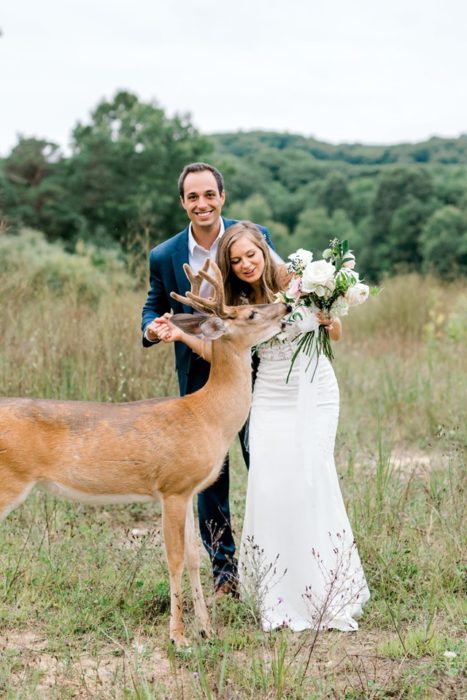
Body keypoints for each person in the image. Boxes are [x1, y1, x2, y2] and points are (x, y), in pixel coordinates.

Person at [155, 220, 370, 631]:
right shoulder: (234, 302)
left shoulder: (303, 284)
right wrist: (182, 337)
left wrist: (328, 318)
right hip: (269, 392)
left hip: (315, 389)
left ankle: (325, 588)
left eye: (251, 255)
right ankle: (276, 592)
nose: (246, 264)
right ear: (230, 266)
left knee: (312, 480)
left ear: (264, 251)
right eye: (236, 260)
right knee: (270, 484)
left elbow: (336, 333)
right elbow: (224, 350)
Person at [141, 163, 274, 597]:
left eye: (209, 195)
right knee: (210, 480)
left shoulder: (250, 236)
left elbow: (272, 291)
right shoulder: (164, 255)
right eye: (193, 197)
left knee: (266, 464)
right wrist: (153, 329)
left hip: (257, 370)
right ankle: (225, 575)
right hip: (200, 376)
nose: (202, 204)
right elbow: (153, 305)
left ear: (222, 197)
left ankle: (272, 562)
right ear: (183, 202)